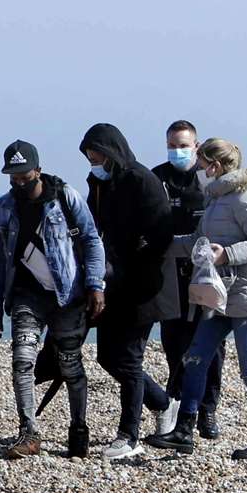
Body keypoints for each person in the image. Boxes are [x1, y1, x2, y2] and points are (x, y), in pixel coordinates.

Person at [147, 139, 247, 459]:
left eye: (203, 163)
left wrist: (227, 255)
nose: (199, 170)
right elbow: (198, 242)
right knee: (195, 357)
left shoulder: (246, 198)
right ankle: (184, 430)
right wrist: (159, 247)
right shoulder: (216, 198)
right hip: (220, 296)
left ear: (215, 167)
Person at [0, 141, 106, 459]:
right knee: (22, 359)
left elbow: (92, 240)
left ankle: (79, 430)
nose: (20, 182)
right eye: (14, 177)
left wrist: (95, 285)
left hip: (68, 295)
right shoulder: (3, 208)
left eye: (25, 175)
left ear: (38, 170)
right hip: (26, 294)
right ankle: (29, 432)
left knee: (70, 363)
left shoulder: (65, 198)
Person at [80, 123, 178, 459]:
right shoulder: (97, 183)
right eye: (90, 158)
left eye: (99, 157)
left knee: (130, 357)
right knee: (107, 356)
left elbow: (162, 229)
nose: (95, 164)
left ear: (113, 152)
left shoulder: (142, 179)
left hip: (146, 284)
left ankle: (128, 435)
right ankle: (163, 403)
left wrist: (138, 253)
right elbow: (93, 227)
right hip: (112, 282)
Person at [154, 119, 224, 439]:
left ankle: (208, 410)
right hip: (170, 273)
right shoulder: (157, 178)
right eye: (172, 145)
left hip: (205, 273)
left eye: (183, 145)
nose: (177, 150)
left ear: (196, 147)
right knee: (174, 341)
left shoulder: (209, 180)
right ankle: (178, 405)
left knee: (211, 343)